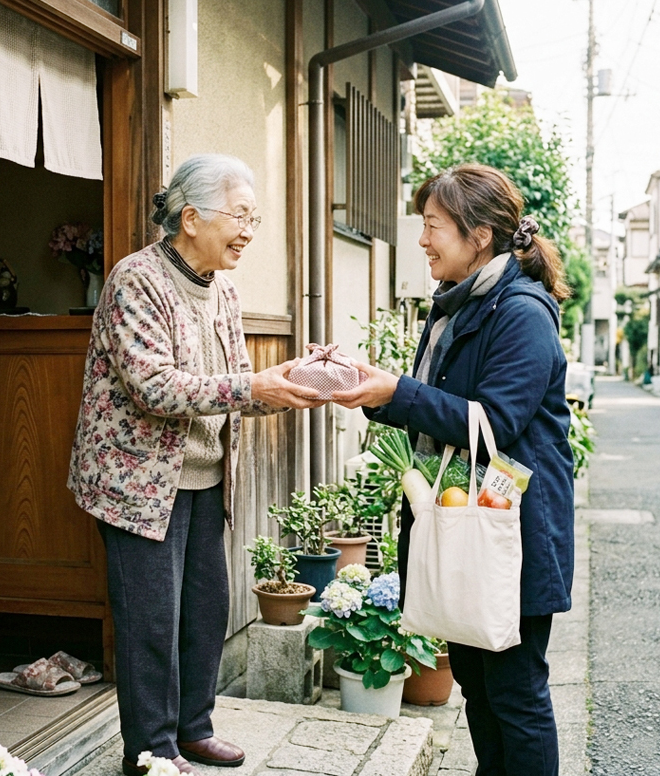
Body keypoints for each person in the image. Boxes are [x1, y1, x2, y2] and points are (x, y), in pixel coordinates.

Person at [68, 154, 323, 776]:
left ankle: (194, 728)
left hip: (205, 479)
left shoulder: (225, 290)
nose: (249, 230)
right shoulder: (136, 280)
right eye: (240, 216)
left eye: (254, 218)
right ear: (190, 217)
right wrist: (252, 387)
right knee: (150, 621)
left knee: (206, 607)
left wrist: (290, 383)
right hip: (137, 483)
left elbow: (232, 388)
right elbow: (153, 386)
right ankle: (150, 752)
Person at [333, 163, 575, 776]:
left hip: (511, 532)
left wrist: (398, 392)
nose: (422, 240)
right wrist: (373, 388)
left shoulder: (519, 311)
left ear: (480, 235)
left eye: (433, 226)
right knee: (475, 682)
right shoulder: (456, 306)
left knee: (515, 692)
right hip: (469, 525)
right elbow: (441, 409)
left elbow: (494, 422)